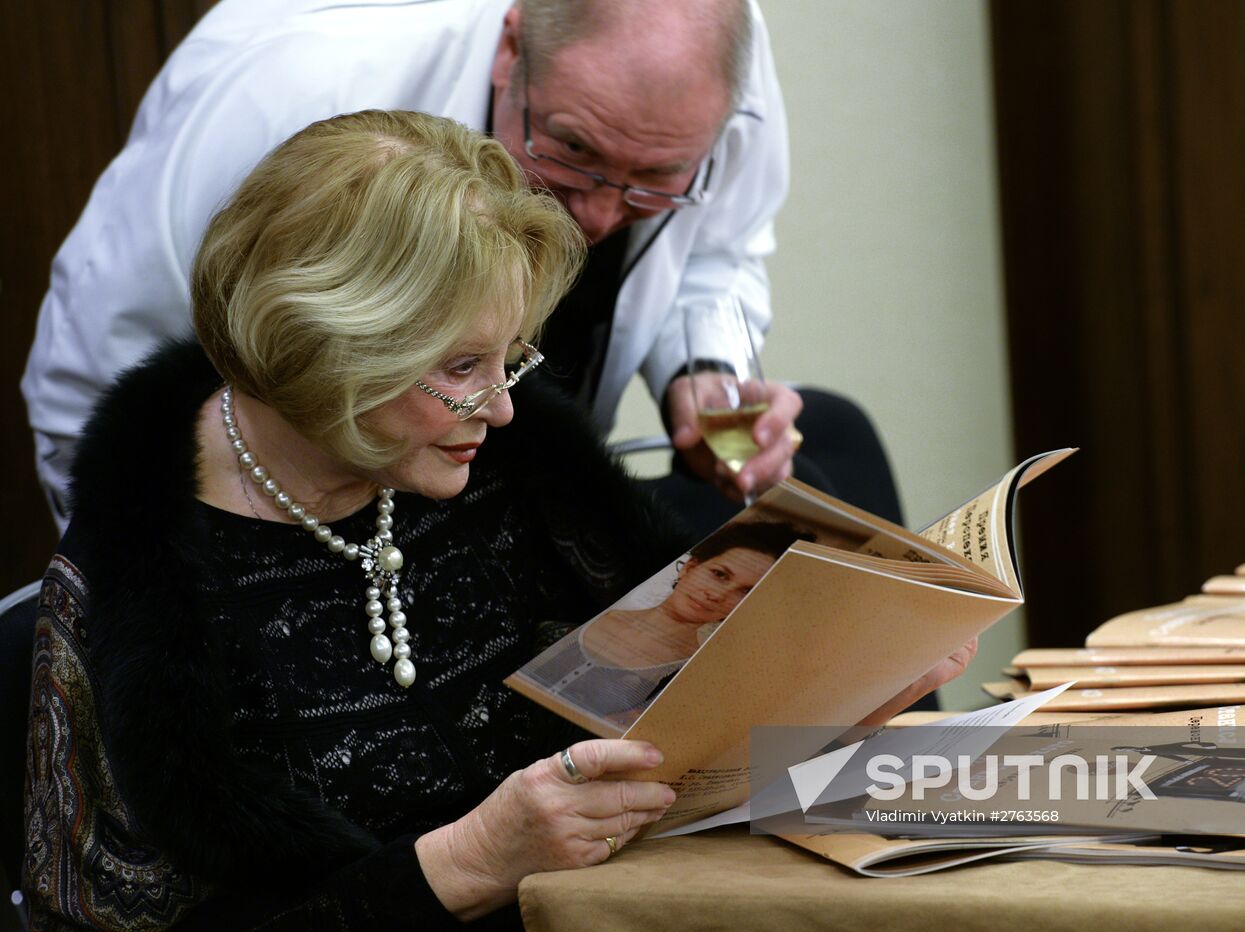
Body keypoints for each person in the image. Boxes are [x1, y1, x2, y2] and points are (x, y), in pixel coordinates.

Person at [23, 110, 699, 929]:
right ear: (326, 347)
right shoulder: (135, 591)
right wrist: (471, 861)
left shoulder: (513, 471)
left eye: (510, 356)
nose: (506, 409)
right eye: (460, 366)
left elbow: (671, 669)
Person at [23, 0, 903, 538]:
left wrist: (706, 377)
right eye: (573, 150)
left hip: (505, 511)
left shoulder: (714, 51)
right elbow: (97, 371)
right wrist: (167, 577)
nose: (597, 219)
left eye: (654, 182)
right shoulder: (297, 92)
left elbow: (719, 248)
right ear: (512, 50)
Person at [528, 521, 815, 720]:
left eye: (745, 592)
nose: (716, 595)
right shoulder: (586, 604)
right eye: (720, 574)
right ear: (691, 567)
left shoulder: (692, 680)